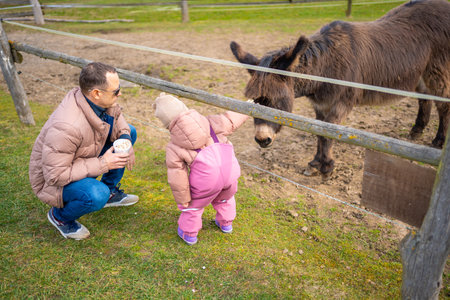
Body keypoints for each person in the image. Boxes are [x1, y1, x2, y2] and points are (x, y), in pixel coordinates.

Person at [29, 62, 139, 240]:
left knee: (129, 132)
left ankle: (110, 192)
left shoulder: (100, 101)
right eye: (116, 91)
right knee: (96, 194)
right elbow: (54, 176)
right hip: (54, 181)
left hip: (81, 159)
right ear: (97, 93)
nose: (121, 93)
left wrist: (125, 138)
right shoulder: (66, 127)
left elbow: (117, 118)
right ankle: (60, 217)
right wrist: (103, 164)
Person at [153, 93, 249, 245]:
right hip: (230, 170)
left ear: (166, 124)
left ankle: (189, 234)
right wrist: (247, 108)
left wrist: (184, 200)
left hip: (206, 180)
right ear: (185, 108)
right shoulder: (210, 122)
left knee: (194, 206)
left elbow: (177, 176)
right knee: (225, 197)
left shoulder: (174, 145)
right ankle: (226, 223)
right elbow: (230, 120)